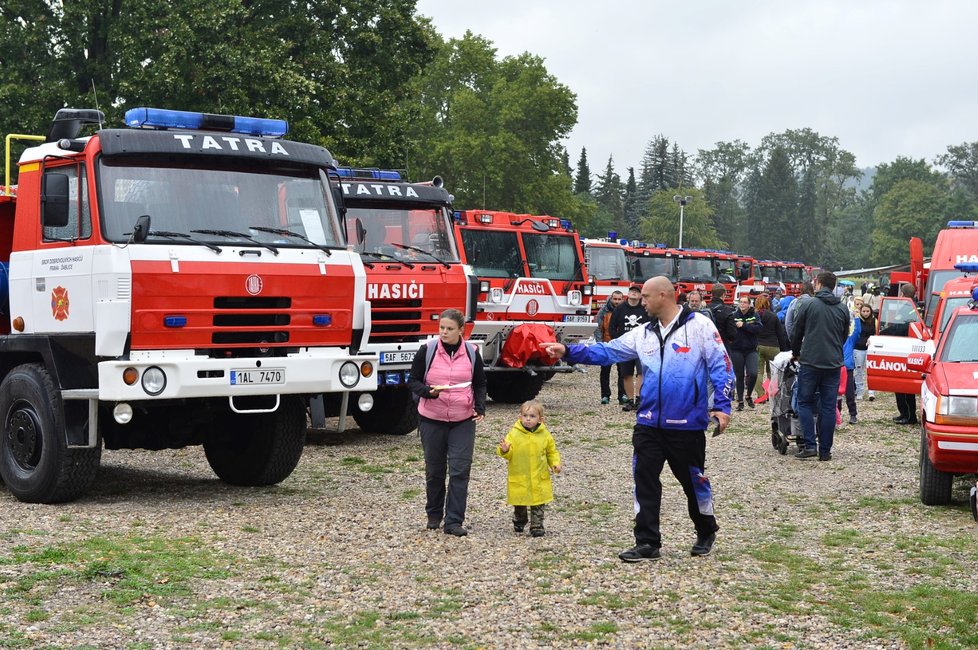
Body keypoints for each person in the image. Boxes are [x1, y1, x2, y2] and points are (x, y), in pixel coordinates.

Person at [540, 276, 734, 561]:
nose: (641, 301)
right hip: (648, 423)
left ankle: (706, 528)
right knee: (644, 480)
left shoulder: (700, 327)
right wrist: (569, 351)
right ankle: (647, 542)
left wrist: (722, 406)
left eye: (646, 296)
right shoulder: (643, 333)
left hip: (687, 425)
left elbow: (722, 365)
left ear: (664, 296)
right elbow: (608, 351)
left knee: (692, 481)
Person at [408, 308, 487, 536]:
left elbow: (480, 383)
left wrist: (479, 407)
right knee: (435, 470)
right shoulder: (427, 350)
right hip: (432, 418)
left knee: (460, 470)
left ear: (461, 330)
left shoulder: (472, 352)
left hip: (463, 420)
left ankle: (453, 521)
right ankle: (434, 514)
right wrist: (428, 392)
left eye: (450, 329)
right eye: (441, 328)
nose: (444, 332)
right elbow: (412, 381)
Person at [790, 272, 851, 461]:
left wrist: (796, 352)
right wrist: (834, 349)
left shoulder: (808, 305)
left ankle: (810, 445)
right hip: (833, 363)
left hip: (810, 361)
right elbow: (844, 335)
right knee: (828, 406)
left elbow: (796, 331)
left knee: (804, 402)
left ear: (819, 284)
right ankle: (825, 450)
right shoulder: (842, 308)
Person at [496, 400, 562, 537]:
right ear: (520, 417)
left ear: (540, 419)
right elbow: (507, 452)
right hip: (520, 475)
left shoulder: (545, 435)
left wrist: (555, 463)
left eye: (532, 416)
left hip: (539, 475)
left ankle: (537, 525)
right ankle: (519, 520)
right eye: (525, 416)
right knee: (520, 501)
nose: (528, 419)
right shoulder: (514, 433)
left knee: (538, 502)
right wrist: (505, 450)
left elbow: (551, 451)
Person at [610, 285, 648, 411]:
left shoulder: (644, 309)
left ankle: (639, 398)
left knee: (641, 372)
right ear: (628, 293)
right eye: (632, 291)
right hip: (625, 347)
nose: (634, 293)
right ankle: (630, 400)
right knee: (626, 374)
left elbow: (651, 325)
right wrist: (618, 342)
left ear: (640, 295)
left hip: (641, 347)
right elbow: (612, 327)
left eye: (637, 292)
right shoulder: (620, 309)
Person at [753, 295, 789, 401]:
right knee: (773, 372)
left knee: (759, 371)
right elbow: (780, 334)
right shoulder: (774, 316)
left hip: (759, 346)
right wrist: (783, 350)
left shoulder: (754, 316)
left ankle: (761, 395)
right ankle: (772, 393)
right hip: (773, 346)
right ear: (768, 304)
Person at [730, 296, 763, 410]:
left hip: (751, 349)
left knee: (753, 373)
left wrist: (744, 326)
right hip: (736, 349)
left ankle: (748, 395)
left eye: (745, 302)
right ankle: (740, 401)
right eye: (741, 302)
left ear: (749, 305)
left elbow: (758, 329)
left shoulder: (754, 315)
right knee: (739, 376)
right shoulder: (734, 316)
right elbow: (729, 330)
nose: (742, 304)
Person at [594, 291, 625, 405]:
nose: (616, 301)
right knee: (605, 371)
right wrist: (600, 343)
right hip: (606, 344)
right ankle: (605, 395)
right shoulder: (603, 311)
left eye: (619, 299)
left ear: (622, 299)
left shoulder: (624, 310)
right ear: (611, 299)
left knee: (622, 372)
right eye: (615, 299)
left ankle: (622, 395)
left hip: (621, 345)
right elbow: (598, 328)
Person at [853, 303, 876, 401]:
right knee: (859, 371)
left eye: (867, 311)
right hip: (858, 348)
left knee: (871, 370)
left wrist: (872, 339)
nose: (866, 313)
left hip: (871, 348)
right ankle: (859, 391)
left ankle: (872, 391)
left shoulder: (874, 321)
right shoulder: (857, 321)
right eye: (864, 311)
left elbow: (877, 333)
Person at [708, 285, 738, 351]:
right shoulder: (727, 311)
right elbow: (732, 333)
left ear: (712, 294)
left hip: (708, 345)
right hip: (722, 345)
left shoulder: (705, 309)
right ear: (723, 295)